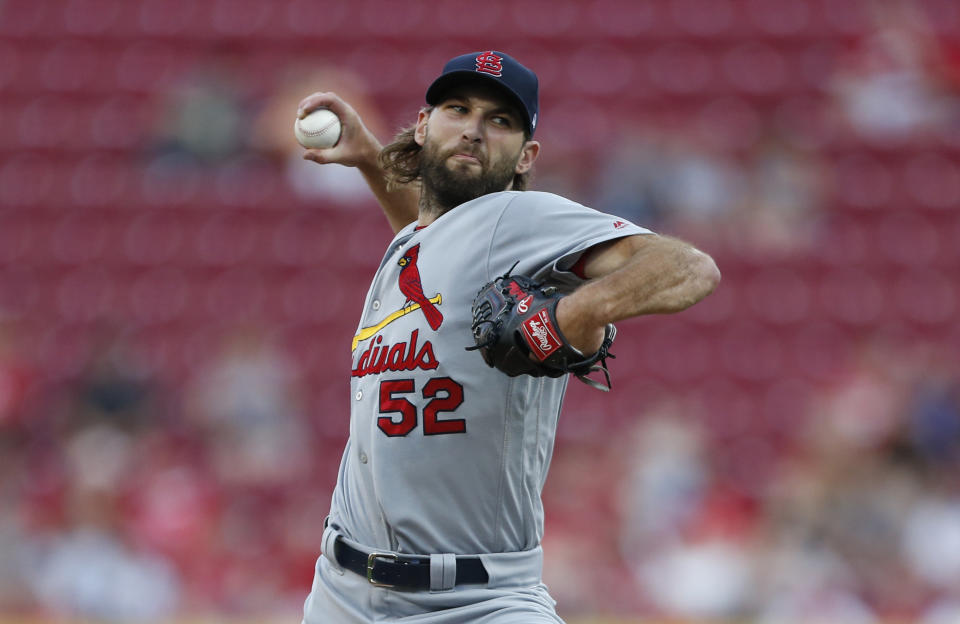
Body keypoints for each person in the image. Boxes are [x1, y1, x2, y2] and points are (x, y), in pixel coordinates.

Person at [296, 50, 721, 623]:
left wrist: (569, 315)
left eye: (500, 120)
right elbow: (438, 251)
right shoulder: (416, 245)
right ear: (423, 126)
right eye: (457, 108)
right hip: (342, 591)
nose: (473, 128)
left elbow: (689, 267)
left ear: (526, 156)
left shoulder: (518, 219)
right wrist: (372, 158)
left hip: (476, 601)